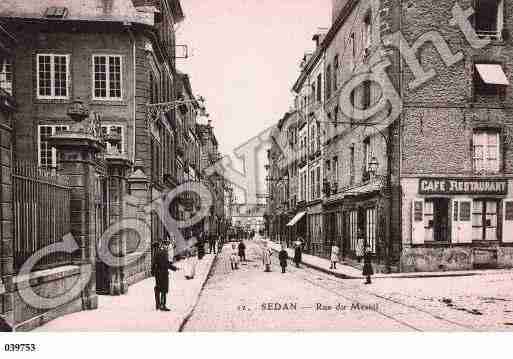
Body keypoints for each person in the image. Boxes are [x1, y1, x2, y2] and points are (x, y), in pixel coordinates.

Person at [152, 241, 179, 311]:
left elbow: (153, 264)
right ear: (163, 245)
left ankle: (157, 305)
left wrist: (153, 272)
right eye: (167, 245)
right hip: (163, 273)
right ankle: (163, 305)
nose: (167, 247)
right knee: (164, 289)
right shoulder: (163, 252)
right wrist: (174, 268)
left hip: (157, 274)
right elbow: (166, 264)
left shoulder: (155, 253)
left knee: (157, 288)